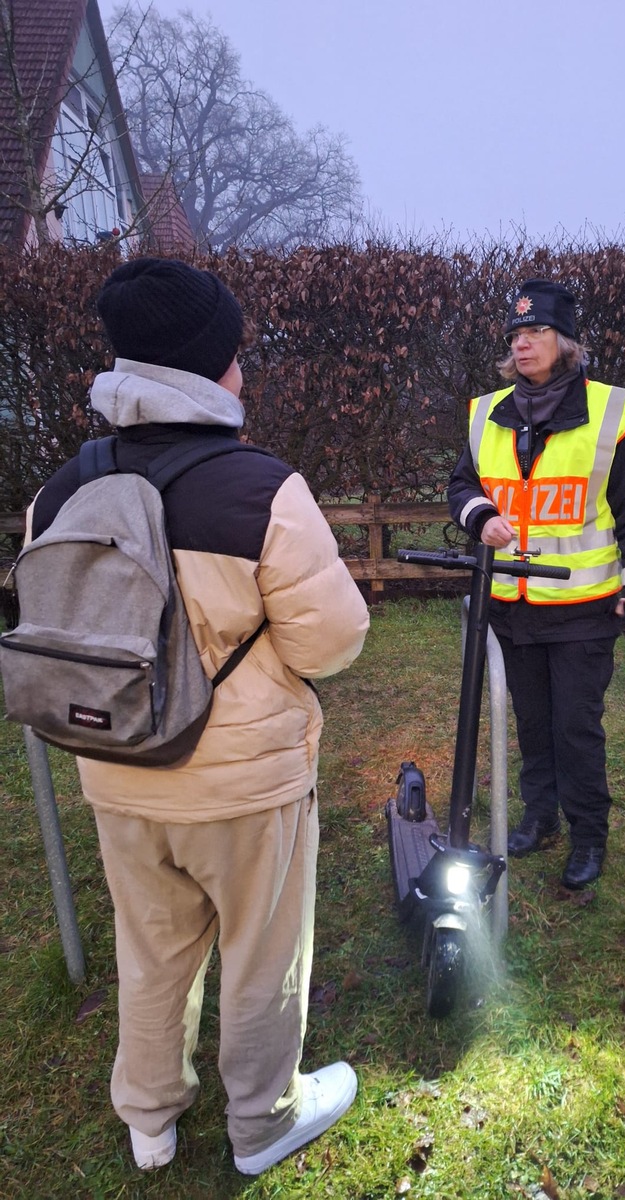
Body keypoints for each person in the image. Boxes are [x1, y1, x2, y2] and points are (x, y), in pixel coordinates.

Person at [26, 258, 370, 1175]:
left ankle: (149, 1118)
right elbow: (335, 643)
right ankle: (263, 1123)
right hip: (243, 788)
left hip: (115, 771)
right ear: (218, 365)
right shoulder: (262, 490)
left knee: (150, 953)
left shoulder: (59, 490)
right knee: (262, 959)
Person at [448, 279, 625, 891]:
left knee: (575, 727)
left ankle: (588, 835)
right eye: (515, 334)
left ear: (566, 343)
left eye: (536, 331)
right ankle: (539, 816)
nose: (523, 344)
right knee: (533, 725)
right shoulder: (486, 413)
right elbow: (460, 487)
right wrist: (481, 517)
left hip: (583, 610)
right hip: (511, 611)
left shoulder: (611, 413)